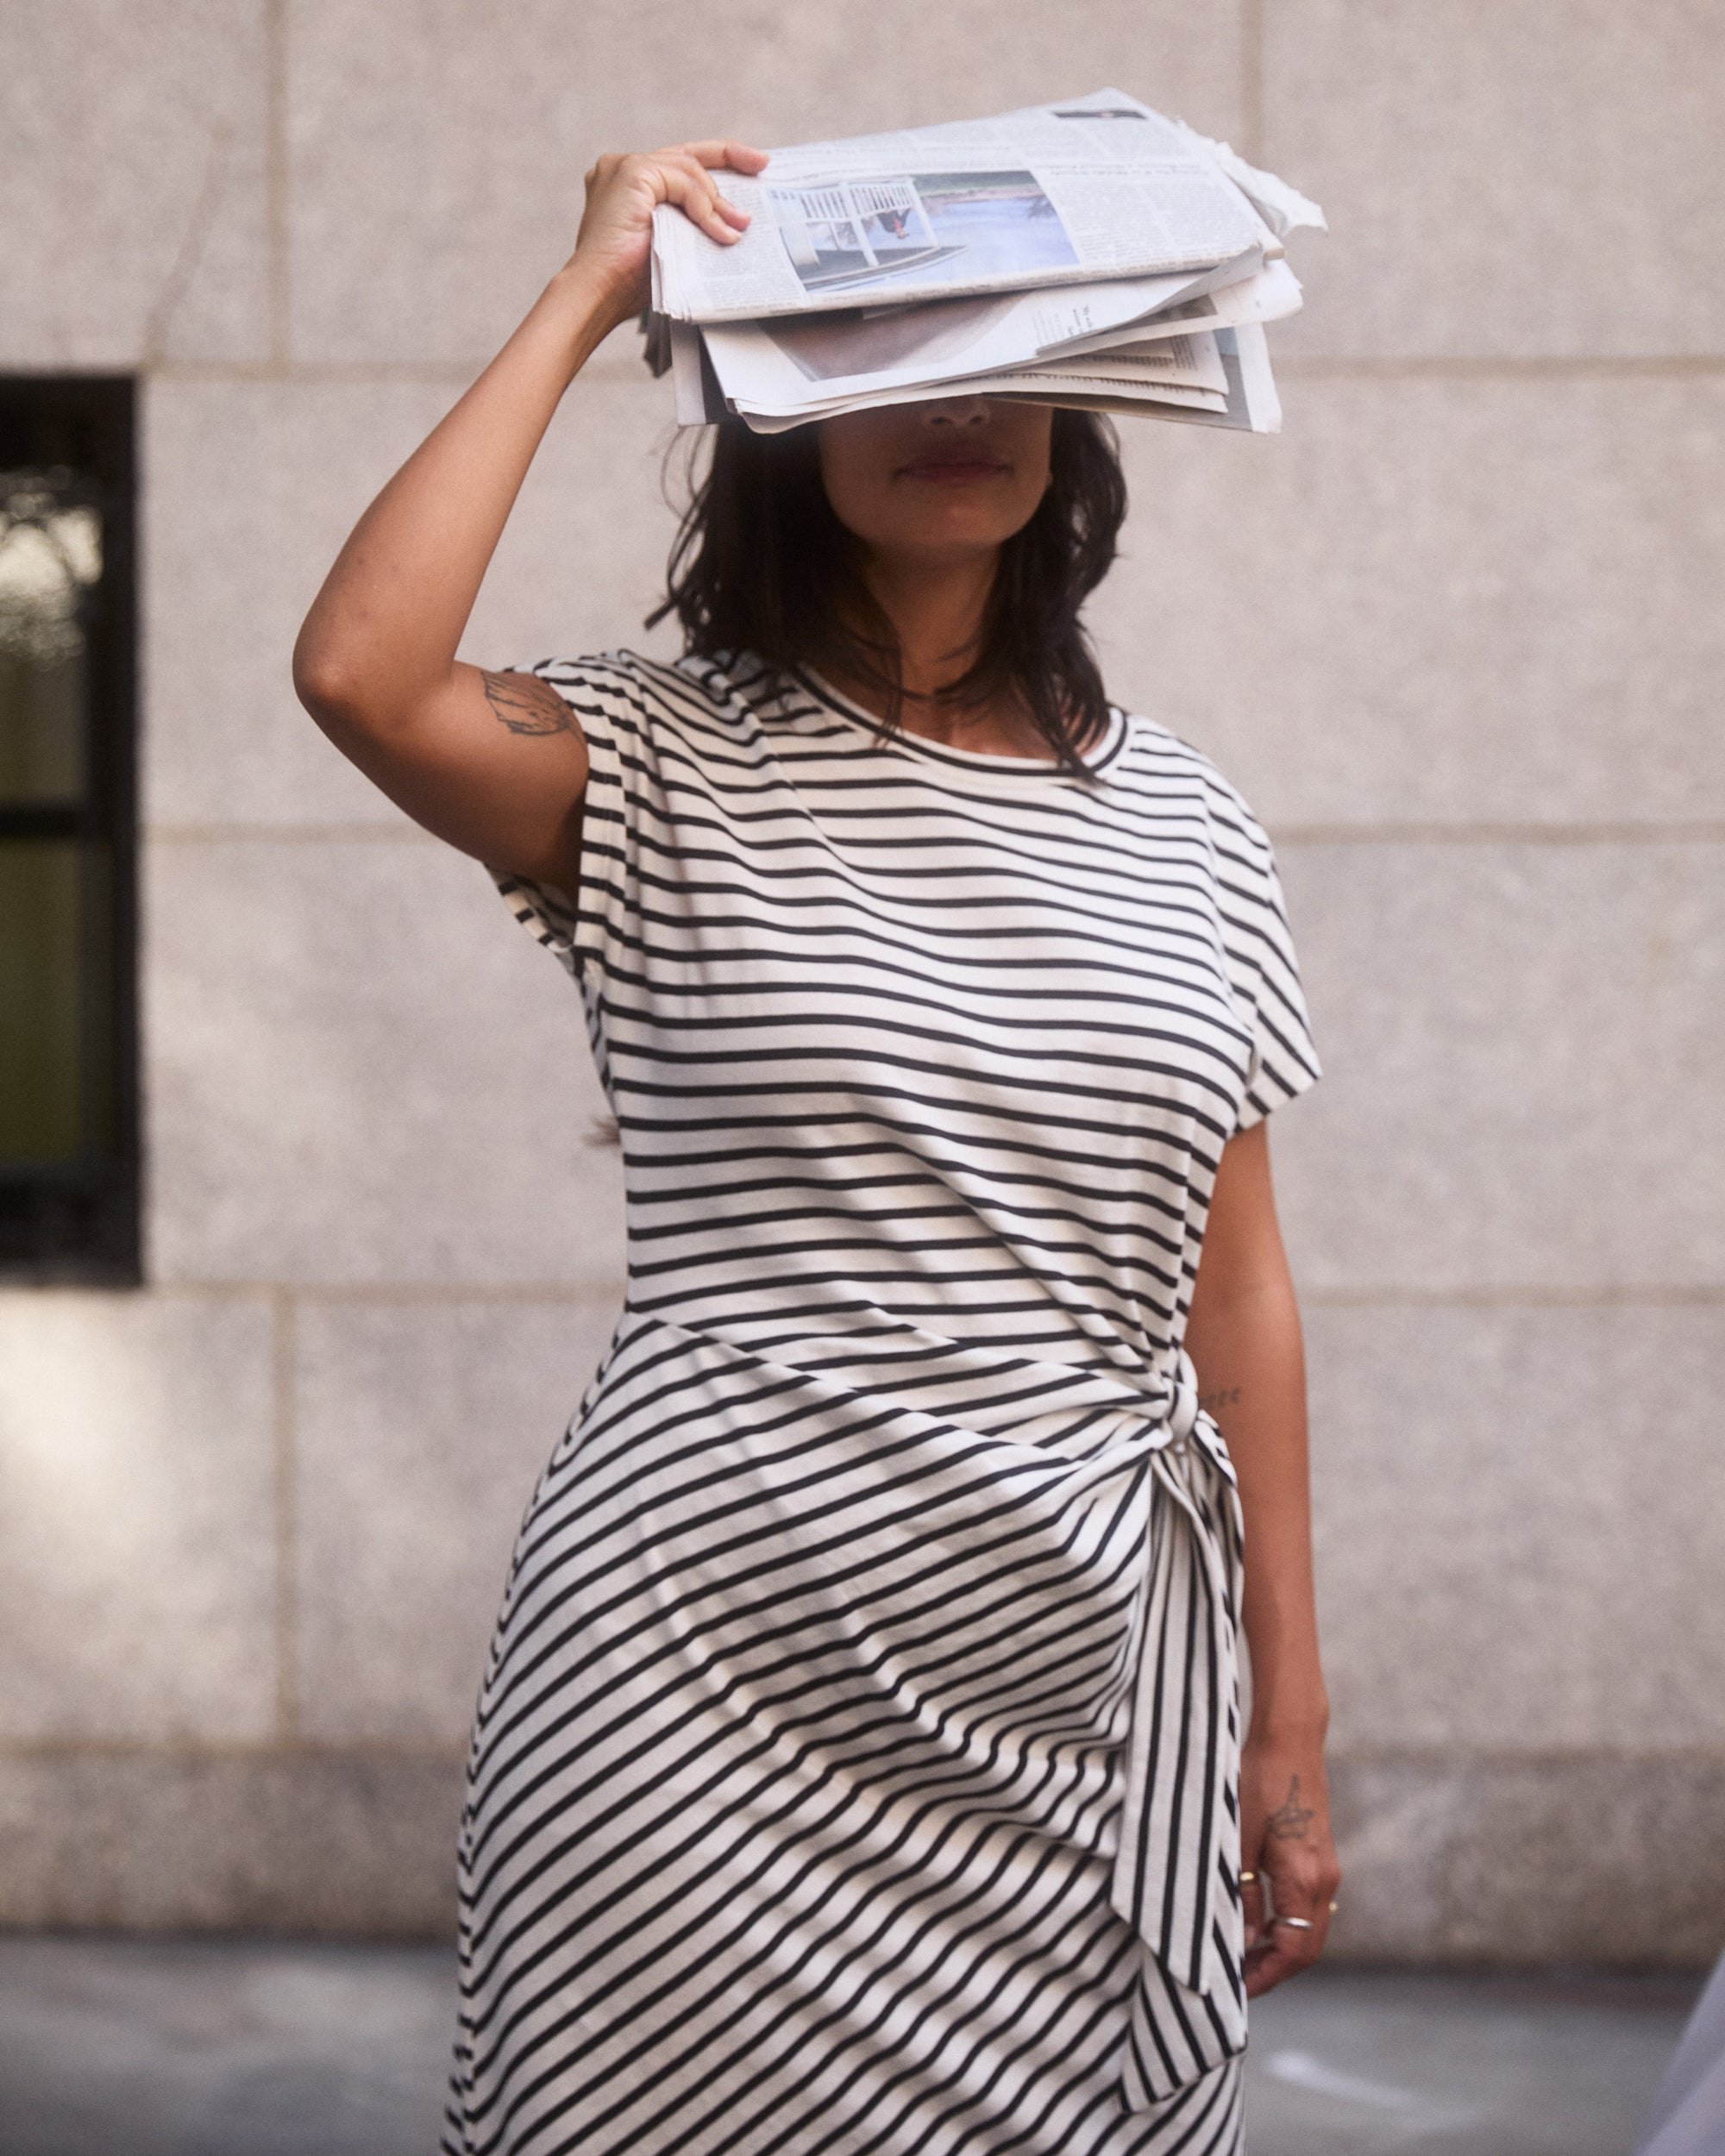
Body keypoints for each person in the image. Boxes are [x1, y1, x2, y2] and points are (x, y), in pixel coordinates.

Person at [295, 138, 1340, 2156]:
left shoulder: (1191, 824)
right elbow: (359, 673)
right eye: (883, 340)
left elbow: (1239, 1295)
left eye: (1006, 349)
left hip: (1087, 1695)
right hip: (698, 1681)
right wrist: (592, 288)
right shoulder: (644, 757)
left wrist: (1286, 1715)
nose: (957, 396)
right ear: (775, 395)